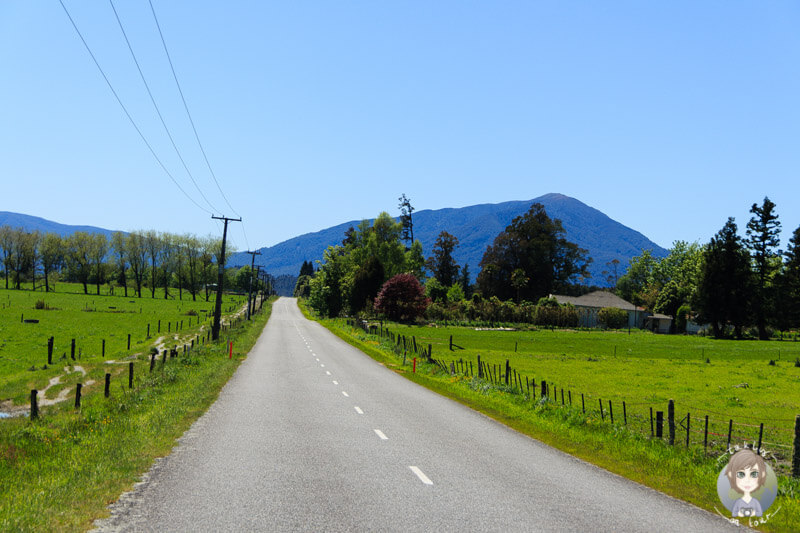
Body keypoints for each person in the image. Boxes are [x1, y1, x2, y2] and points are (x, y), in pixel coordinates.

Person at [725, 449, 766, 517]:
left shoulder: (755, 502)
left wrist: (753, 513)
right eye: (741, 474)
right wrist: (739, 514)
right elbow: (734, 513)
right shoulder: (738, 502)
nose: (747, 480)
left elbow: (759, 513)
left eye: (754, 474)